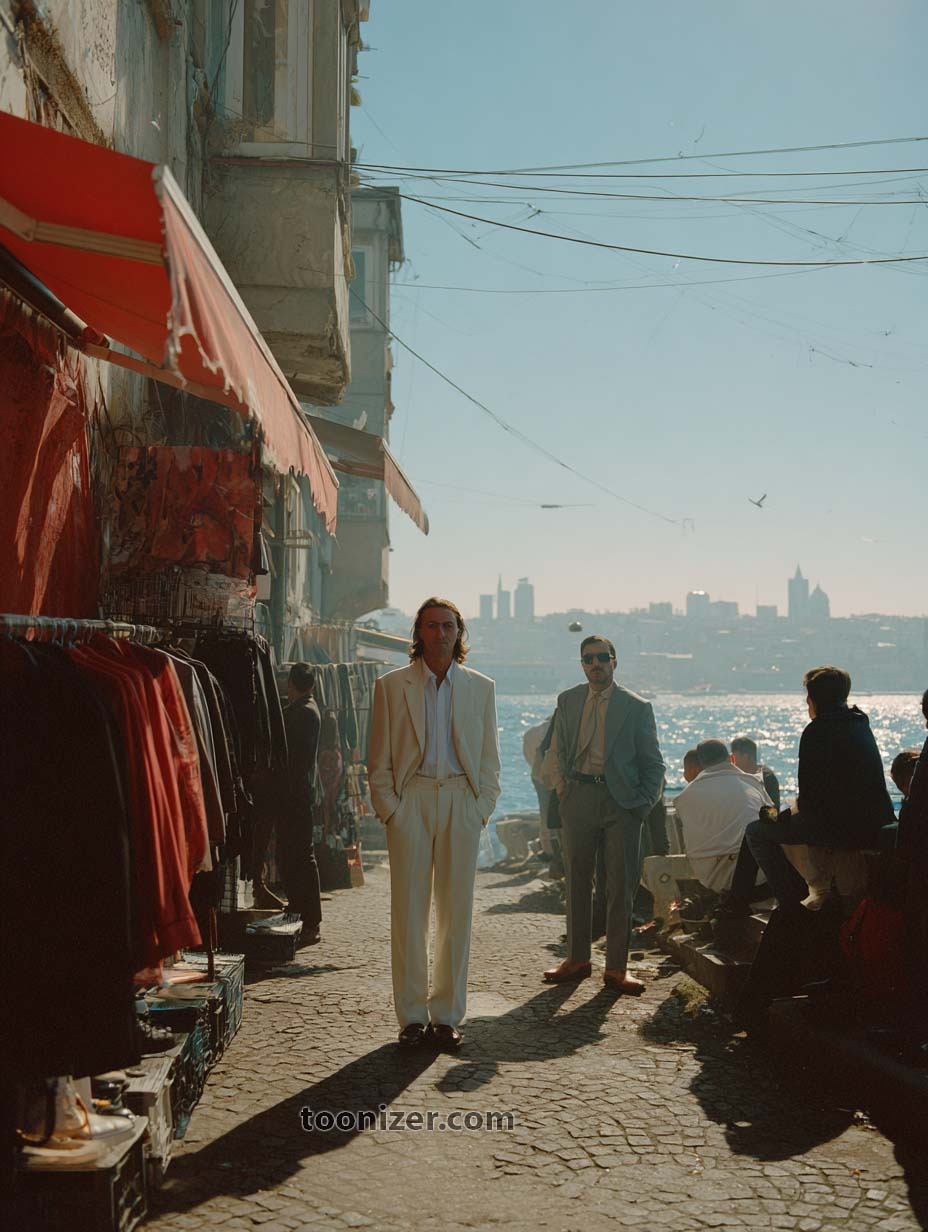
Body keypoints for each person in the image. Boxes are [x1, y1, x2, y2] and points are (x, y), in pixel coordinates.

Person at [369, 598, 501, 1050]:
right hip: (413, 801)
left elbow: (489, 760)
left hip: (462, 800)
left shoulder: (482, 688)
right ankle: (411, 1018)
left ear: (459, 633)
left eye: (448, 626)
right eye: (432, 625)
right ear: (419, 632)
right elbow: (379, 759)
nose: (441, 633)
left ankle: (445, 1016)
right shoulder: (391, 686)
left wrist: (482, 806)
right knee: (408, 912)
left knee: (455, 914)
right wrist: (391, 808)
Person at [542, 635, 665, 993]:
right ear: (582, 664)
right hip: (578, 796)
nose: (595, 664)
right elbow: (558, 749)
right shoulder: (567, 700)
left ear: (614, 661)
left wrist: (641, 805)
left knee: (620, 886)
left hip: (621, 802)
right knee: (577, 881)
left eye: (602, 657)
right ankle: (577, 959)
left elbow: (654, 764)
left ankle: (616, 968)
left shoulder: (636, 706)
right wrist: (563, 789)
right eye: (588, 659)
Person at [722, 665, 895, 914]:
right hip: (874, 821)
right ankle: (747, 900)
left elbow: (811, 801)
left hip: (836, 827)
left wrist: (779, 816)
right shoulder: (860, 723)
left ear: (813, 700)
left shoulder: (816, 731)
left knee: (756, 831)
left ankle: (790, 901)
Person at [674, 739, 774, 895]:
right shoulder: (754, 783)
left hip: (710, 877)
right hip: (758, 875)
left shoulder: (683, 798)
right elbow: (772, 818)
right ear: (732, 759)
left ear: (700, 765)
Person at [279, 662, 323, 943]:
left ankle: (311, 920)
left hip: (296, 793)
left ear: (291, 684)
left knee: (302, 856)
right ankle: (299, 911)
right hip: (296, 793)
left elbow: (298, 759)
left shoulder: (304, 713)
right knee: (294, 855)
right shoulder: (305, 708)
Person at [730, 736, 781, 811]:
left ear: (745, 758)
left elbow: (774, 811)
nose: (731, 762)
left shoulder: (767, 778)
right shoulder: (736, 775)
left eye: (734, 758)